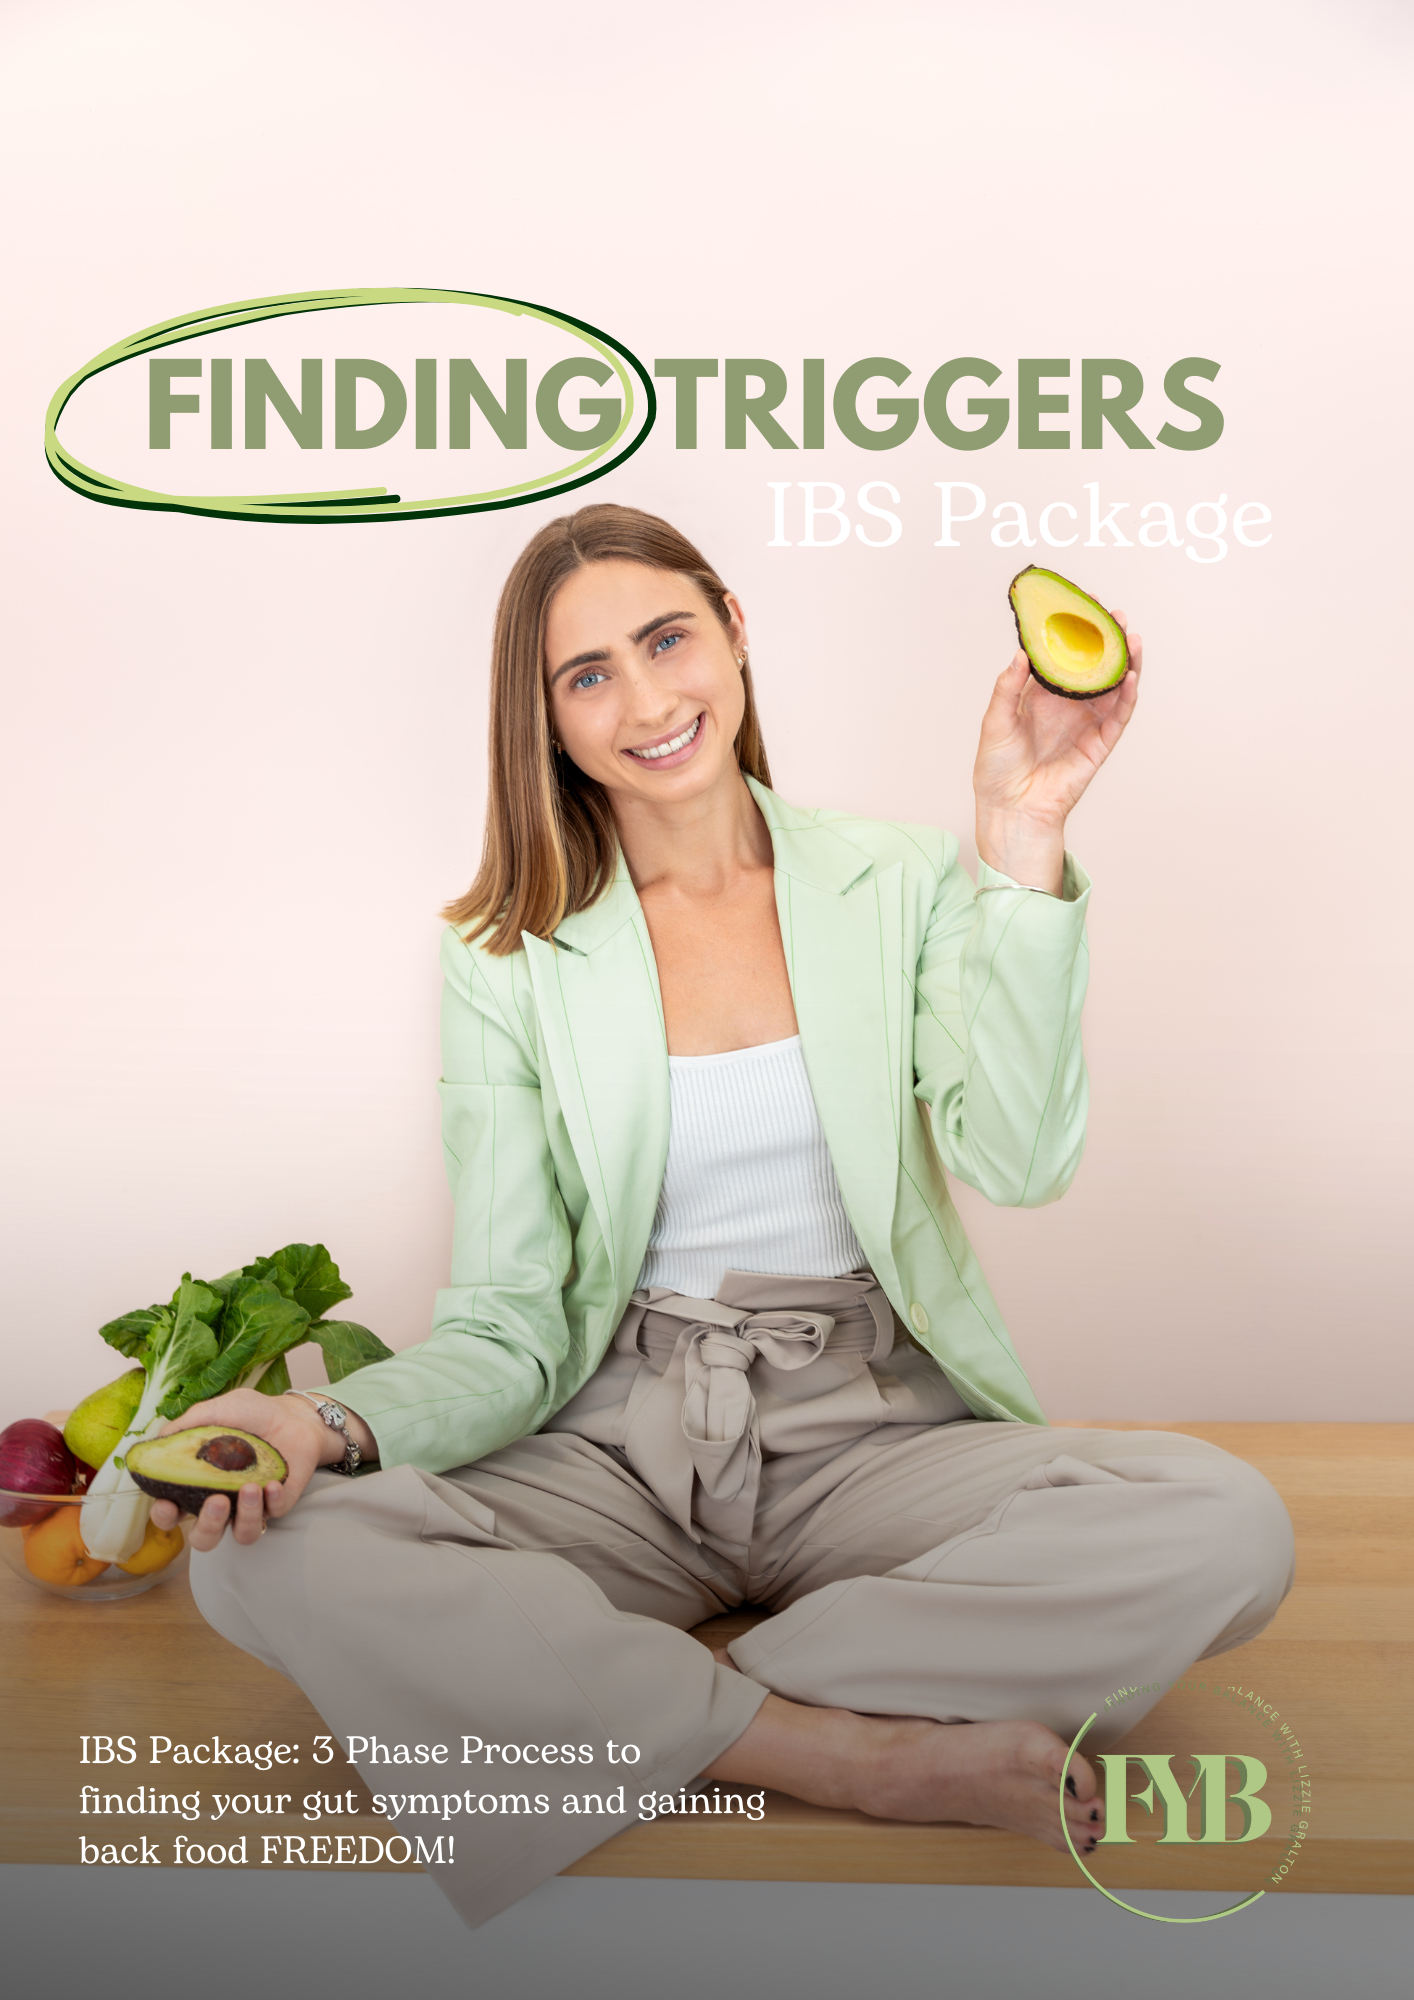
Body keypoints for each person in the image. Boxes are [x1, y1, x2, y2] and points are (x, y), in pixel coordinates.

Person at [156, 504, 1294, 1928]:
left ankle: (604, 1706)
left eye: (664, 638)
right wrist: (323, 1426)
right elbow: (509, 1315)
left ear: (733, 630)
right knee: (266, 1557)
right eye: (585, 676)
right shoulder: (502, 954)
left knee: (1224, 1527)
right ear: (548, 721)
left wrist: (1019, 839)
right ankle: (836, 1750)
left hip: (867, 1425)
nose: (644, 701)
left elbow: (1017, 1160)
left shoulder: (898, 879)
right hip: (610, 1436)